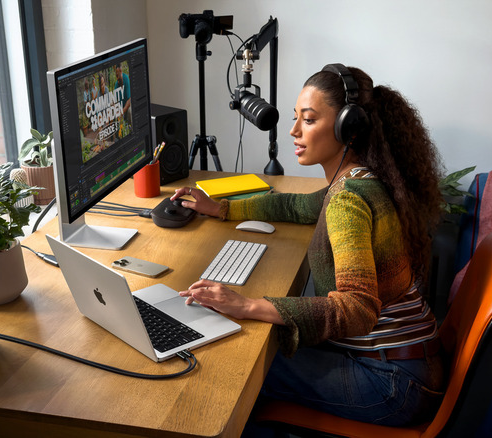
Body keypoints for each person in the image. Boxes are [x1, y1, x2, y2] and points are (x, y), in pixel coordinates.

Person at [172, 64, 446, 428]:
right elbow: (295, 205)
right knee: (253, 345)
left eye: (309, 120)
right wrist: (222, 208)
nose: (293, 131)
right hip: (408, 362)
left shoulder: (350, 200)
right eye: (295, 118)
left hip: (393, 382)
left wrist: (248, 303)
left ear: (348, 127)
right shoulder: (360, 179)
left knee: (239, 368)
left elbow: (358, 310)